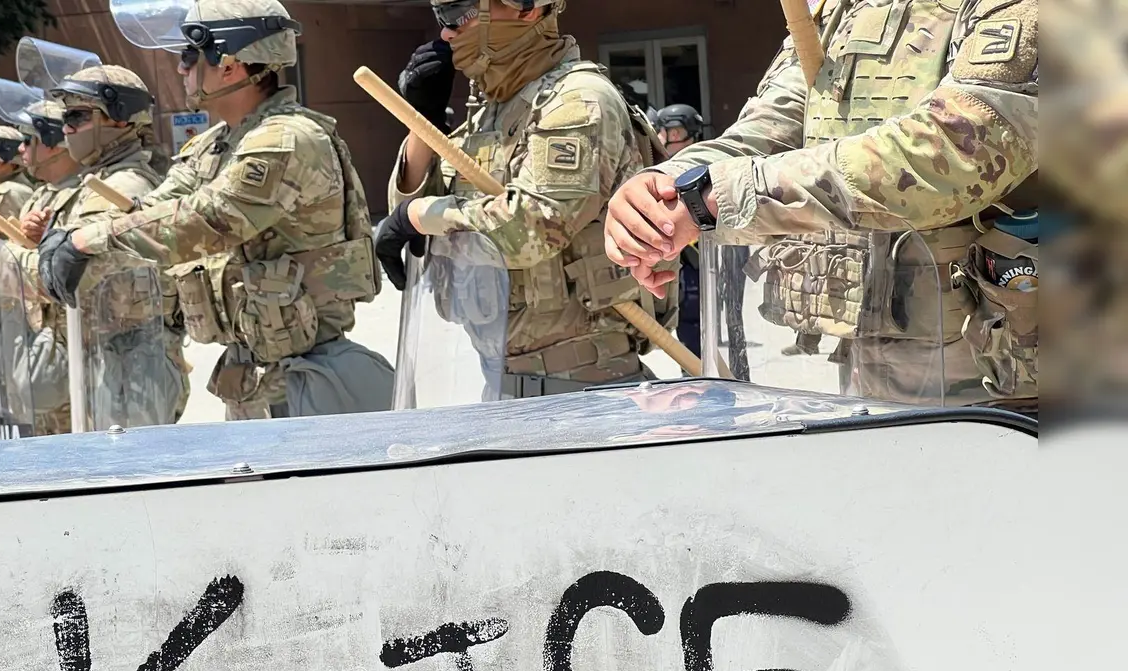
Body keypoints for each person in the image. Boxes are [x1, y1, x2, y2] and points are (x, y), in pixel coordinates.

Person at [603, 0, 1039, 410]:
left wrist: (722, 197)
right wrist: (670, 186)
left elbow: (956, 152)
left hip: (998, 378)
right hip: (858, 361)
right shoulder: (843, 10)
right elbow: (774, 125)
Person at [39, 0, 393, 421]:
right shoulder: (213, 146)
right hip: (251, 374)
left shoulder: (287, 139)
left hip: (309, 378)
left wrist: (85, 241)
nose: (180, 69)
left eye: (189, 56)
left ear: (230, 66)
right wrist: (71, 235)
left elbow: (205, 221)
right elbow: (158, 207)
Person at [377, 0, 673, 397]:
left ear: (526, 8)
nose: (446, 33)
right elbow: (413, 213)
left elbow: (535, 227)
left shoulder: (576, 100)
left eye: (457, 12)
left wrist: (417, 216)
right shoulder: (491, 112)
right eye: (440, 19)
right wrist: (423, 120)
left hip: (585, 390)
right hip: (502, 383)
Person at [0, 67, 191, 433]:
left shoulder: (122, 185)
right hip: (106, 357)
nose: (66, 129)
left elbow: (70, 276)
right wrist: (40, 240)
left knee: (127, 481)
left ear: (117, 119)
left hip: (130, 365)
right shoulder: (96, 183)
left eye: (76, 116)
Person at [654, 103, 704, 357]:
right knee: (687, 329)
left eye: (674, 132)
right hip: (682, 262)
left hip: (706, 262)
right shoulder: (663, 170)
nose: (668, 139)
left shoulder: (705, 166)